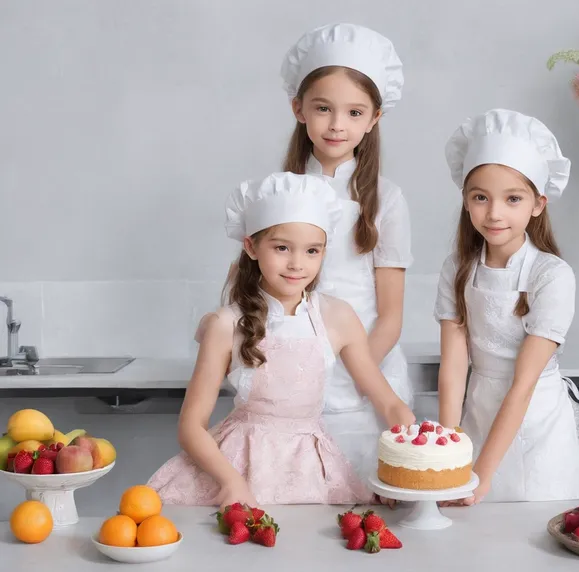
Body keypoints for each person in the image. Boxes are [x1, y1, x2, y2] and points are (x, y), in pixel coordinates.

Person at [148, 172, 415, 507]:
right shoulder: (226, 324)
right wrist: (231, 481)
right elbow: (190, 426)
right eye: (282, 248)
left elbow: (388, 403)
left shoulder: (338, 317)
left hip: (313, 470)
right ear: (251, 246)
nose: (296, 264)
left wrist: (409, 453)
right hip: (237, 464)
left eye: (312, 251)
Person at [435, 109, 579, 504]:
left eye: (513, 199)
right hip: (479, 411)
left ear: (538, 203)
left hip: (536, 419)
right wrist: (447, 451)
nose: (494, 213)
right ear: (465, 200)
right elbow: (454, 368)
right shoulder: (458, 268)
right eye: (480, 198)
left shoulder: (552, 275)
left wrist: (482, 475)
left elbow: (523, 385)